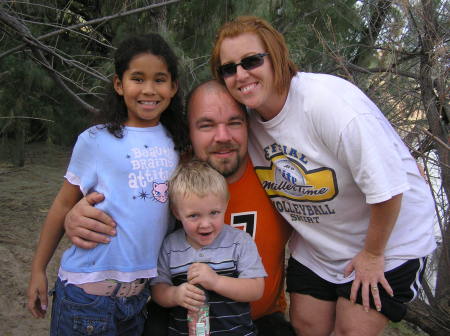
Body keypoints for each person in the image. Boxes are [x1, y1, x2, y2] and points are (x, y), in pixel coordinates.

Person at [210, 16, 436, 336]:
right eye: (228, 68)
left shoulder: (329, 105)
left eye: (251, 61)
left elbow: (388, 189)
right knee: (306, 326)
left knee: (351, 330)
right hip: (321, 245)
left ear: (275, 57)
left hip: (388, 240)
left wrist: (372, 255)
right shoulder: (243, 119)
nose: (240, 74)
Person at [64, 80, 294, 335]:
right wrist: (74, 216)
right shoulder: (169, 179)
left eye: (234, 122)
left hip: (259, 321)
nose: (223, 136)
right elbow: (124, 206)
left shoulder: (277, 176)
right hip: (185, 321)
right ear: (188, 131)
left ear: (248, 125)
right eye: (206, 125)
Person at [27, 33, 187, 335]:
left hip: (138, 301)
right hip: (85, 300)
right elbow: (63, 204)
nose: (149, 90)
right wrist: (38, 269)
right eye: (137, 79)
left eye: (160, 79)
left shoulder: (177, 143)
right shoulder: (95, 140)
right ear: (119, 84)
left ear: (173, 87)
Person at [151, 159, 266, 335]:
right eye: (194, 215)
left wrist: (216, 281)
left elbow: (256, 289)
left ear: (225, 205)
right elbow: (158, 289)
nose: (205, 224)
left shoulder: (240, 242)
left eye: (214, 213)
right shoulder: (170, 246)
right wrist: (175, 295)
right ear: (176, 213)